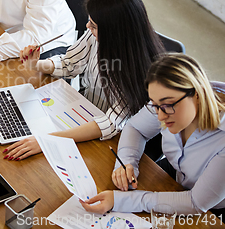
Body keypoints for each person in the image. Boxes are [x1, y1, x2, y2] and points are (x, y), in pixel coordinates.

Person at [3, 0, 164, 160]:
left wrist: (47, 141)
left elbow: (110, 124)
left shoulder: (139, 72)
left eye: (93, 26)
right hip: (80, 112)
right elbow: (69, 63)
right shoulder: (94, 36)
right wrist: (36, 64)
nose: (87, 27)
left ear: (114, 33)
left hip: (105, 140)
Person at [81, 53, 225, 216]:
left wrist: (120, 200)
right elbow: (135, 128)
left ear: (197, 94)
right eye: (155, 106)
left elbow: (195, 203)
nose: (161, 116)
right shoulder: (165, 101)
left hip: (212, 206)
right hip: (178, 175)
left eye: (167, 106)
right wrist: (127, 162)